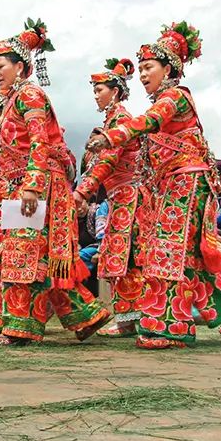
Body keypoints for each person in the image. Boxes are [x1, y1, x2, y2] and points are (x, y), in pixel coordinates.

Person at [87, 23, 221, 349]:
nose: (143, 74)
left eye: (149, 67)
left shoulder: (175, 98)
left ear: (169, 68)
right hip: (169, 185)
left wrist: (112, 136)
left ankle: (173, 326)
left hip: (186, 181)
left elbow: (147, 121)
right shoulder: (163, 101)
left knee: (168, 253)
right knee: (180, 256)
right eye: (142, 68)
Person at [0, 20, 109, 346]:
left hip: (33, 188)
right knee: (26, 255)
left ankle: (20, 330)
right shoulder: (13, 100)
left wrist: (31, 186)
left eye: (1, 66)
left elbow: (39, 142)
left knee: (21, 255)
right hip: (18, 188)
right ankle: (85, 315)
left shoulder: (30, 95)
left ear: (20, 66)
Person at [73, 58, 147, 338]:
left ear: (114, 91)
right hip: (119, 197)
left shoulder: (121, 120)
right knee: (121, 258)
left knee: (126, 257)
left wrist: (83, 190)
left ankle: (134, 319)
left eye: (99, 89)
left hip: (128, 196)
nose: (95, 95)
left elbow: (108, 159)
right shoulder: (112, 120)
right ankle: (129, 320)